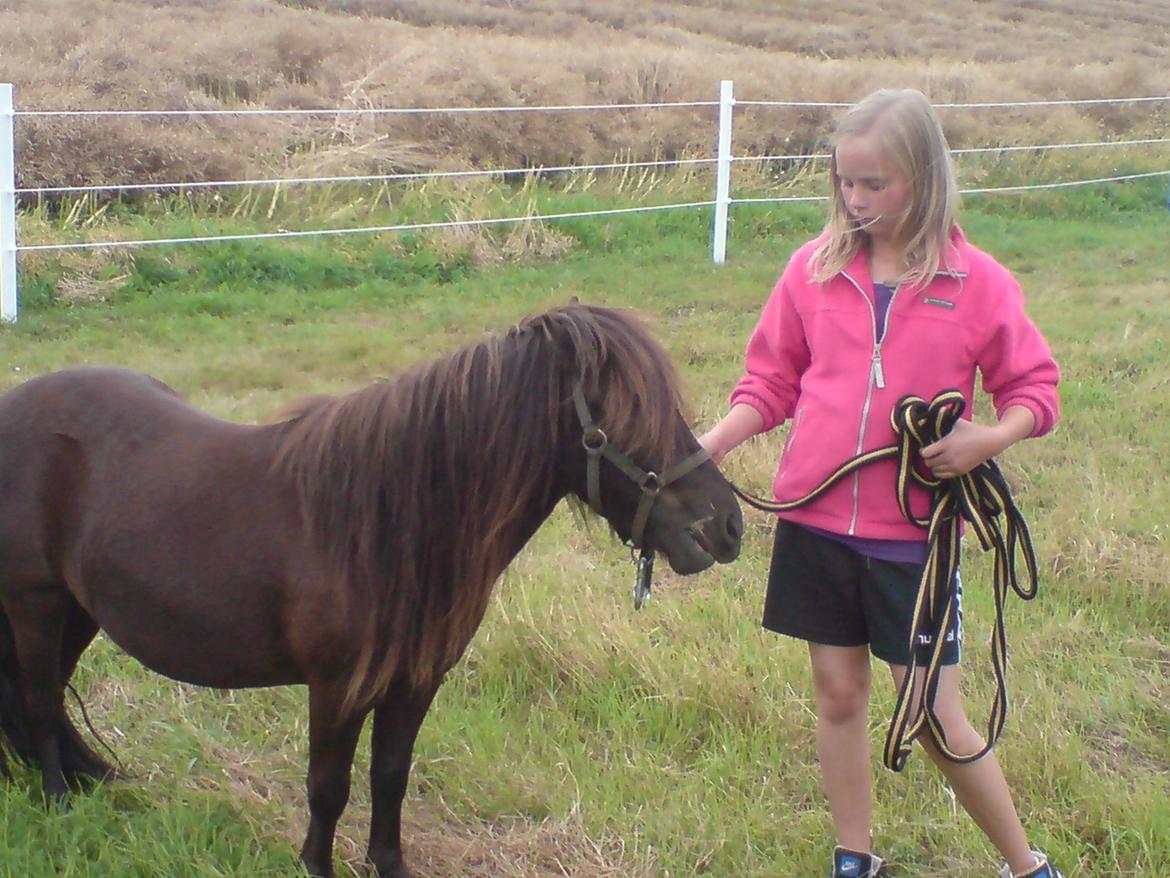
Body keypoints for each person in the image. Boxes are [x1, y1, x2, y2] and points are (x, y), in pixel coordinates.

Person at [699, 89, 1063, 878]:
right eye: (845, 184)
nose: (857, 201)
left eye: (876, 184)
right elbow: (769, 381)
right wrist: (714, 444)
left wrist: (988, 438)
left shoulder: (979, 283)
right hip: (814, 524)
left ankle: (1024, 866)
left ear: (923, 180)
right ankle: (854, 859)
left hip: (916, 540)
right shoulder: (812, 270)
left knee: (934, 713)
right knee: (837, 695)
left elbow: (1036, 390)